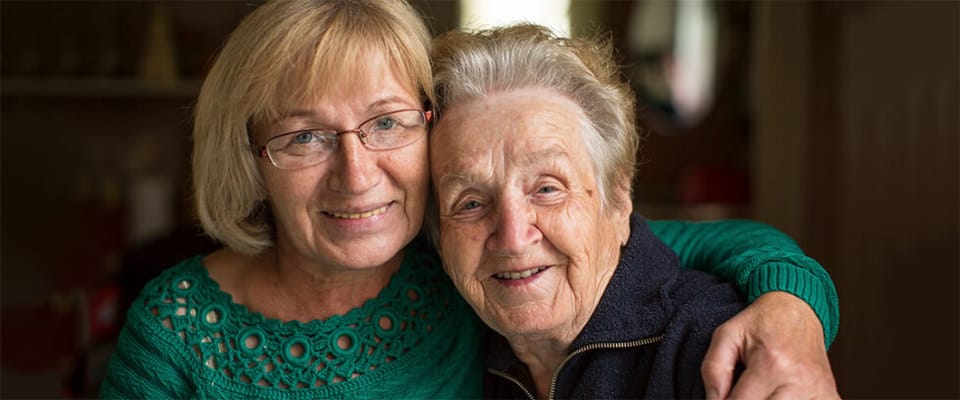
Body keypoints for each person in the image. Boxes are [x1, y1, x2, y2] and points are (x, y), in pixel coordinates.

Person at [101, 1, 837, 398]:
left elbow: (699, 244)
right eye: (303, 137)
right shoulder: (177, 331)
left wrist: (793, 308)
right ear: (249, 157)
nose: (356, 175)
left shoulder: (460, 265)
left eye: (385, 123)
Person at [428, 23, 839, 398]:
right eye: (470, 203)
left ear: (619, 198)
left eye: (548, 189)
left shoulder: (714, 351)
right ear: (439, 236)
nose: (514, 238)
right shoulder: (449, 347)